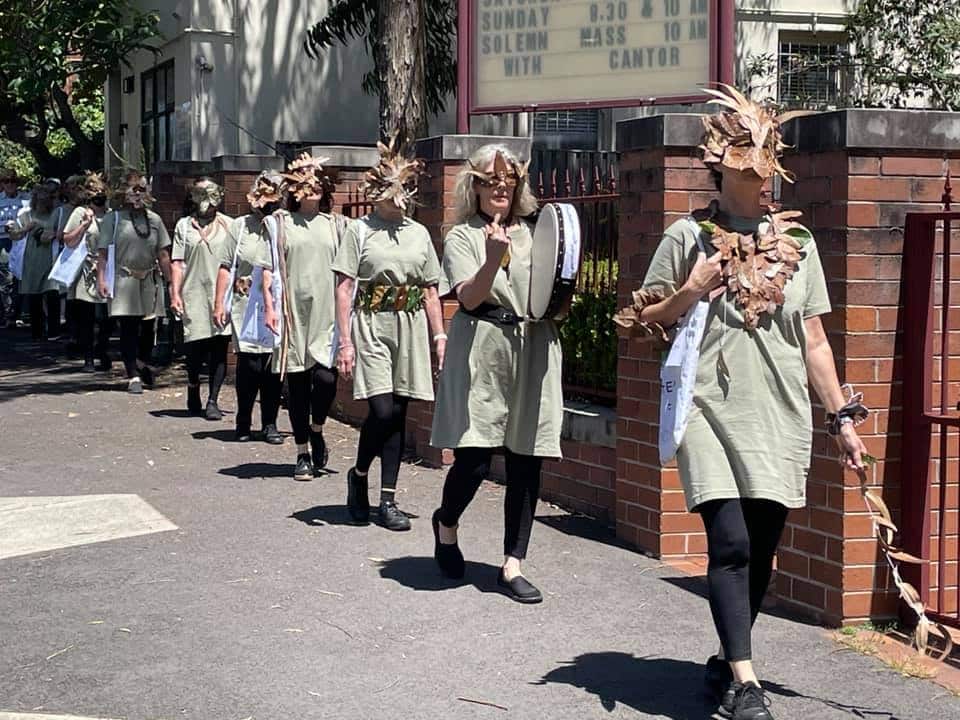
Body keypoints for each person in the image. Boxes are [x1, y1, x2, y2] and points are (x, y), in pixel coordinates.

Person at [613, 85, 868, 720]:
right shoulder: (685, 238)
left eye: (767, 169)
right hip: (706, 406)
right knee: (727, 542)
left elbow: (813, 339)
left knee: (759, 548)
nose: (763, 182)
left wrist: (840, 418)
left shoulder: (798, 246)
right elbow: (642, 324)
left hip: (777, 409)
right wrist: (691, 291)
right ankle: (747, 686)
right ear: (721, 167)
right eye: (749, 170)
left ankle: (727, 662)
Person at [429, 145, 560, 601]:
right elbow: (466, 298)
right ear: (475, 187)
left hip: (532, 346)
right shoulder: (462, 235)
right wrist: (491, 258)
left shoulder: (535, 232)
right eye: (490, 181)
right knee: (476, 457)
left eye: (508, 181)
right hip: (481, 344)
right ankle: (446, 523)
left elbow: (554, 287)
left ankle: (512, 564)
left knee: (527, 457)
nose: (500, 187)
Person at [333, 135, 446, 532]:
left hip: (410, 325)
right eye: (390, 191)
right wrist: (344, 342)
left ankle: (388, 501)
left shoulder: (417, 233)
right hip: (372, 323)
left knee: (399, 414)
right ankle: (360, 474)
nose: (398, 199)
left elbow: (431, 289)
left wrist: (439, 337)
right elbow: (345, 287)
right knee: (381, 410)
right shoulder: (360, 231)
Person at [259, 154, 344, 480]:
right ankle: (302, 452)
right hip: (293, 312)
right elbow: (268, 268)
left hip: (327, 313)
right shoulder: (279, 224)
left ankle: (317, 427)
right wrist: (269, 305)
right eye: (305, 182)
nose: (313, 188)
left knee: (325, 379)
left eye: (318, 181)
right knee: (297, 383)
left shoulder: (337, 225)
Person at [213, 172, 285, 444]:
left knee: (272, 366)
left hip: (275, 303)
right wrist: (219, 302)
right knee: (250, 364)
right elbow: (225, 264)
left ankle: (270, 423)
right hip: (246, 304)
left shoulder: (283, 226)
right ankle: (243, 419)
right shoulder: (240, 227)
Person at [96, 172, 173, 394]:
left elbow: (163, 254)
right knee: (129, 327)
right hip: (123, 279)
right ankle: (133, 375)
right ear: (124, 193)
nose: (138, 194)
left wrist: (171, 283)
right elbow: (103, 252)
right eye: (133, 189)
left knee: (149, 327)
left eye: (141, 189)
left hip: (149, 279)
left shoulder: (154, 219)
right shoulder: (114, 219)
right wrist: (102, 278)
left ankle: (141, 361)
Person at [169, 178, 233, 419]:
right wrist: (175, 293)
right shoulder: (184, 226)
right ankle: (193, 385)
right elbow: (177, 262)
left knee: (219, 347)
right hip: (193, 292)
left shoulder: (229, 225)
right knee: (194, 349)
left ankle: (213, 400)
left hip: (220, 295)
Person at [61, 172, 114, 372]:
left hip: (106, 268)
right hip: (85, 270)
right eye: (94, 192)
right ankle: (89, 358)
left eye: (101, 192)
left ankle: (102, 349)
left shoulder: (111, 215)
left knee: (106, 318)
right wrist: (84, 225)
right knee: (87, 318)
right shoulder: (79, 213)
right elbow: (68, 240)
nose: (98, 196)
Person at [12, 179, 66, 341]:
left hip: (51, 257)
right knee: (34, 295)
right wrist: (25, 228)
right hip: (31, 258)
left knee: (52, 293)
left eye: (46, 198)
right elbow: (15, 234)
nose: (43, 202)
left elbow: (56, 235)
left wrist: (49, 234)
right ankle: (37, 331)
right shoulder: (26, 214)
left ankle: (54, 331)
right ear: (35, 199)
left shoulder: (56, 214)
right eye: (40, 198)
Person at [0, 168, 30, 328]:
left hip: (22, 240)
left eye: (13, 181)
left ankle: (19, 312)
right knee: (6, 277)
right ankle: (8, 312)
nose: (10, 184)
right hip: (4, 241)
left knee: (21, 276)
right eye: (6, 181)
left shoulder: (26, 199)